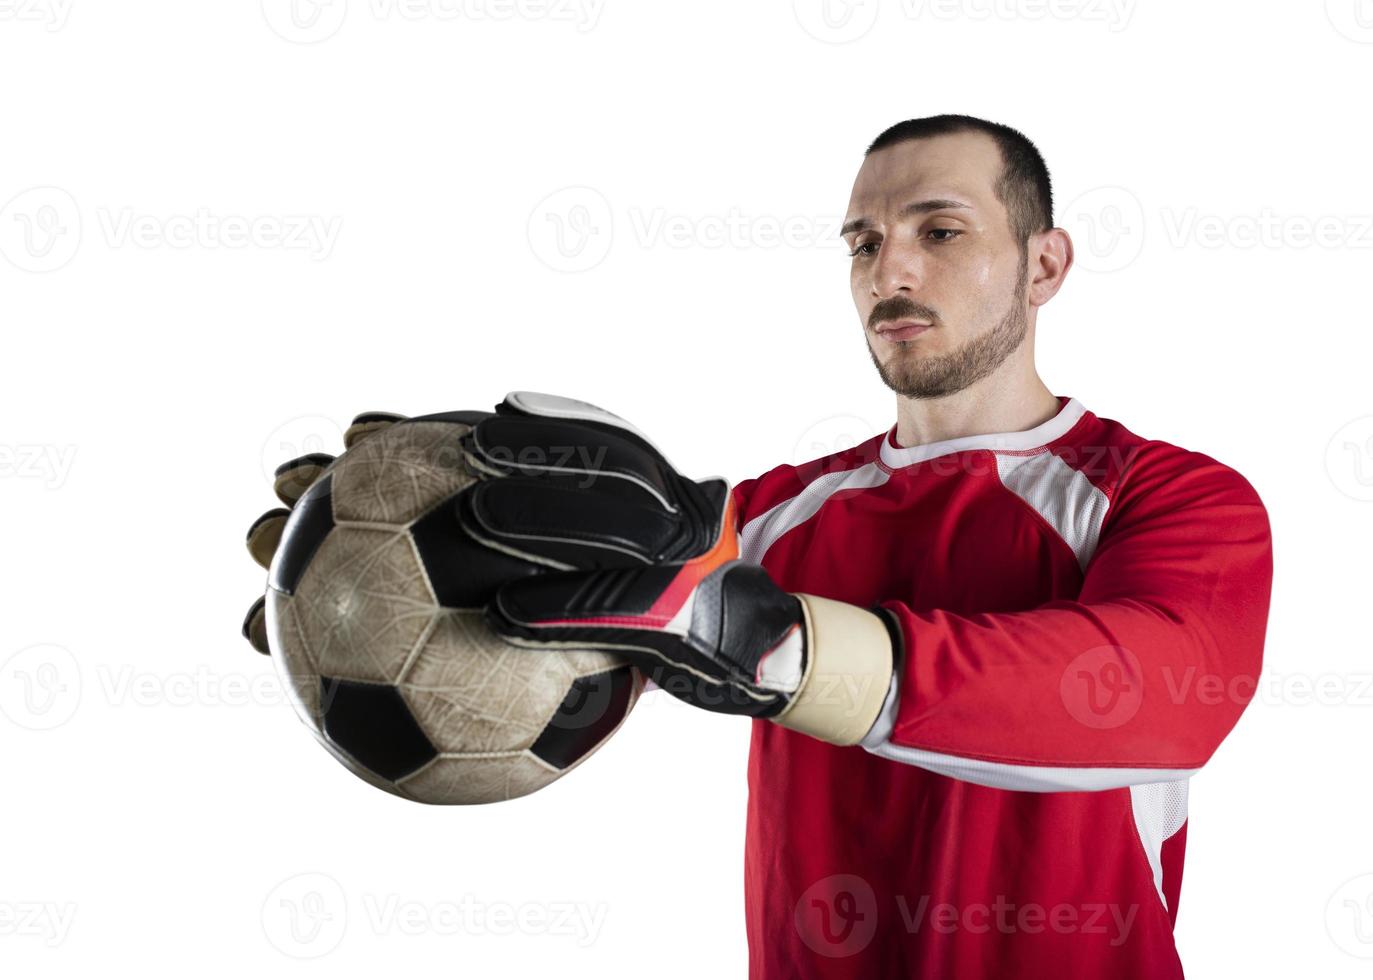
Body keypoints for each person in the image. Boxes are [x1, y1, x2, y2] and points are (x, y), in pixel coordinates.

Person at [485, 114, 1273, 978]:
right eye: (863, 244)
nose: (887, 273)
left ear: (1043, 265)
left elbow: (1152, 700)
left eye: (939, 232)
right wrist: (405, 537)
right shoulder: (770, 515)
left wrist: (780, 649)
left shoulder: (1169, 494)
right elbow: (566, 636)